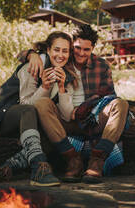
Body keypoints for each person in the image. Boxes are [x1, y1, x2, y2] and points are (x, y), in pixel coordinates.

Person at [19, 25, 129, 184]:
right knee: (43, 104)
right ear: (72, 47)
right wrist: (31, 55)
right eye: (77, 48)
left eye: (86, 49)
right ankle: (73, 161)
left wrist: (86, 108)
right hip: (65, 120)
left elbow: (109, 97)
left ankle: (97, 160)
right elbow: (29, 53)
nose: (81, 53)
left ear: (92, 48)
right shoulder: (63, 58)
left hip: (92, 120)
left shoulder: (102, 66)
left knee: (121, 104)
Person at [0, 31, 78, 187]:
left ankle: (5, 169)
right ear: (48, 50)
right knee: (29, 111)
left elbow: (67, 116)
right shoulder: (32, 65)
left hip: (28, 125)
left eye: (65, 51)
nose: (60, 55)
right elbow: (25, 104)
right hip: (2, 115)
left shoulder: (65, 75)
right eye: (57, 49)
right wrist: (45, 87)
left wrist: (61, 88)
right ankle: (39, 167)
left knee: (49, 137)